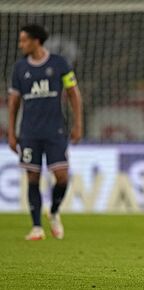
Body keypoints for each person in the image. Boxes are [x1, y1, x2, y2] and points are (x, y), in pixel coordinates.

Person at [8, 24, 83, 240]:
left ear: (36, 41)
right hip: (29, 132)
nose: (20, 44)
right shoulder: (20, 69)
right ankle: (36, 227)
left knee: (61, 177)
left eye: (24, 40)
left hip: (55, 131)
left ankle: (54, 211)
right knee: (32, 177)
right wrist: (12, 133)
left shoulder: (59, 64)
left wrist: (78, 124)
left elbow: (73, 94)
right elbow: (14, 102)